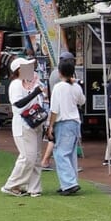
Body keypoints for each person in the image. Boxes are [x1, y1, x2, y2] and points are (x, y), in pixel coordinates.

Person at [2, 57, 46, 197]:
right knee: (28, 157)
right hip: (23, 123)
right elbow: (18, 104)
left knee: (36, 157)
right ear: (19, 70)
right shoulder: (15, 84)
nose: (30, 69)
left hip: (35, 121)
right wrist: (35, 92)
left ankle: (34, 188)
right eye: (26, 67)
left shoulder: (29, 82)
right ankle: (12, 184)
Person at [48, 57, 86, 195]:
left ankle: (69, 183)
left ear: (59, 72)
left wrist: (50, 126)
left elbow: (54, 110)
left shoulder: (58, 88)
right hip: (74, 122)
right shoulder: (76, 86)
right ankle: (69, 182)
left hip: (63, 122)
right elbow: (82, 101)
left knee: (60, 154)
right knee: (70, 154)